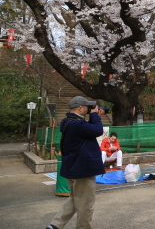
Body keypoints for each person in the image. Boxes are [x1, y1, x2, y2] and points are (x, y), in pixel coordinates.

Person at [46, 96, 105, 229]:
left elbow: (87, 129)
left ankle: (55, 225)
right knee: (86, 204)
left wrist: (93, 116)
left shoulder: (67, 122)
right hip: (82, 169)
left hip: (73, 167)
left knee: (75, 198)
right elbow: (97, 130)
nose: (89, 109)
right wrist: (95, 116)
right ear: (80, 108)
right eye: (87, 107)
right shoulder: (77, 124)